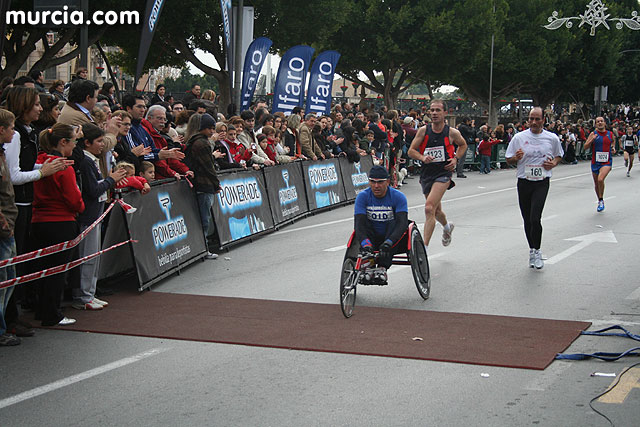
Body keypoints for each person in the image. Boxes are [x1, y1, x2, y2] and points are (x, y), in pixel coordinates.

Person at [32, 123, 85, 326]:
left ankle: (42, 309)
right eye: (74, 142)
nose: (74, 147)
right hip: (61, 221)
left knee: (42, 269)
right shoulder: (63, 167)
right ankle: (52, 313)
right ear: (63, 142)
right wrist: (80, 207)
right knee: (57, 271)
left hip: (39, 220)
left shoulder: (40, 162)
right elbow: (74, 199)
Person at [73, 124, 127, 311]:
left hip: (95, 214)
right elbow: (93, 189)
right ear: (87, 143)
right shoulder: (86, 162)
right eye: (98, 141)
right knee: (87, 257)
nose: (102, 145)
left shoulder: (92, 160)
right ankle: (84, 295)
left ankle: (90, 292)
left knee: (93, 256)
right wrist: (111, 179)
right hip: (88, 216)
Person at [505, 107, 563, 270]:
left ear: (544, 120)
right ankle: (532, 249)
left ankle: (537, 251)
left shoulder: (551, 138)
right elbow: (508, 159)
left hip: (541, 181)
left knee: (535, 218)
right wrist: (516, 158)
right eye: (531, 119)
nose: (534, 122)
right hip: (524, 181)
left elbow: (559, 155)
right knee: (527, 219)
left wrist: (553, 163)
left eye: (537, 119)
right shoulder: (519, 137)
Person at [407, 99, 466, 253]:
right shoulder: (423, 131)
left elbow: (463, 144)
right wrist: (422, 158)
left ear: (445, 113)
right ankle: (447, 227)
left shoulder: (452, 132)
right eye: (432, 110)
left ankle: (424, 249)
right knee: (436, 211)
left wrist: (455, 159)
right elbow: (411, 150)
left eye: (437, 110)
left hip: (443, 173)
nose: (434, 113)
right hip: (427, 173)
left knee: (429, 208)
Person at [353, 166, 408, 284]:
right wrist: (365, 244)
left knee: (394, 221)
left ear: (387, 182)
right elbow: (359, 224)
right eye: (372, 182)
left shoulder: (398, 197)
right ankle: (368, 263)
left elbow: (402, 224)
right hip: (371, 235)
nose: (376, 186)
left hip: (392, 237)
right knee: (363, 222)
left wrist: (389, 242)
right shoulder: (362, 197)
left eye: (380, 182)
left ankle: (382, 267)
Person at [184, 113, 221, 260]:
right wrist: (216, 184)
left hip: (200, 184)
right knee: (204, 219)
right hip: (204, 185)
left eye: (213, 128)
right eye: (209, 128)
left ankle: (201, 248)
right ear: (202, 128)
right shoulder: (202, 143)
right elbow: (208, 167)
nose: (212, 131)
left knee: (203, 218)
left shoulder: (195, 141)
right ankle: (203, 248)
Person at [0, 109, 20, 346]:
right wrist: (4, 224)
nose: (13, 132)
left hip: (9, 223)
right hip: (4, 227)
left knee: (10, 278)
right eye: (10, 127)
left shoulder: (3, 154)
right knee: (3, 280)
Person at [584, 116, 615, 212]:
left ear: (605, 123)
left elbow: (613, 141)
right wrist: (591, 140)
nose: (600, 123)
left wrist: (613, 148)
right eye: (598, 122)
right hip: (595, 162)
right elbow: (585, 147)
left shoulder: (610, 134)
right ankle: (600, 200)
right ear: (595, 124)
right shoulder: (593, 134)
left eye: (601, 121)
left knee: (600, 179)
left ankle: (601, 200)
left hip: (606, 161)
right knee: (597, 184)